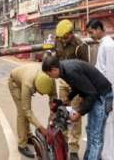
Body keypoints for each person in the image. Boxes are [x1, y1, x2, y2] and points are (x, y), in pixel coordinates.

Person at [42, 56, 113, 160]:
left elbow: (92, 94)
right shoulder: (63, 70)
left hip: (102, 96)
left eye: (49, 74)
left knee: (95, 137)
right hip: (96, 94)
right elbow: (78, 85)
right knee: (90, 131)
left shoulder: (70, 71)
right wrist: (68, 98)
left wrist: (79, 113)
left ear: (54, 69)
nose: (50, 77)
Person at [54, 19, 89, 160]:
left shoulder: (80, 46)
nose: (63, 40)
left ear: (71, 33)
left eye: (65, 37)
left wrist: (81, 91)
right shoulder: (58, 41)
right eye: (60, 38)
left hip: (76, 82)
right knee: (62, 111)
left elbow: (85, 68)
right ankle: (63, 141)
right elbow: (56, 58)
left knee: (75, 115)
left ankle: (73, 147)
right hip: (63, 81)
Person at [9, 63, 56, 158]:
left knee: (27, 113)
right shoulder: (28, 84)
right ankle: (22, 144)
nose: (42, 95)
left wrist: (52, 110)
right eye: (40, 93)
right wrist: (41, 127)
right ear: (35, 86)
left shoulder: (50, 80)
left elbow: (53, 96)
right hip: (15, 83)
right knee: (22, 113)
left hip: (27, 75)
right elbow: (27, 111)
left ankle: (28, 135)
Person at [86, 20, 114, 160]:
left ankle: (108, 156)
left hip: (107, 92)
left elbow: (110, 71)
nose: (91, 36)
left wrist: (110, 97)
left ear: (98, 29)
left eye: (91, 32)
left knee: (107, 125)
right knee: (102, 126)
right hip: (102, 91)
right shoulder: (103, 44)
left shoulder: (108, 45)